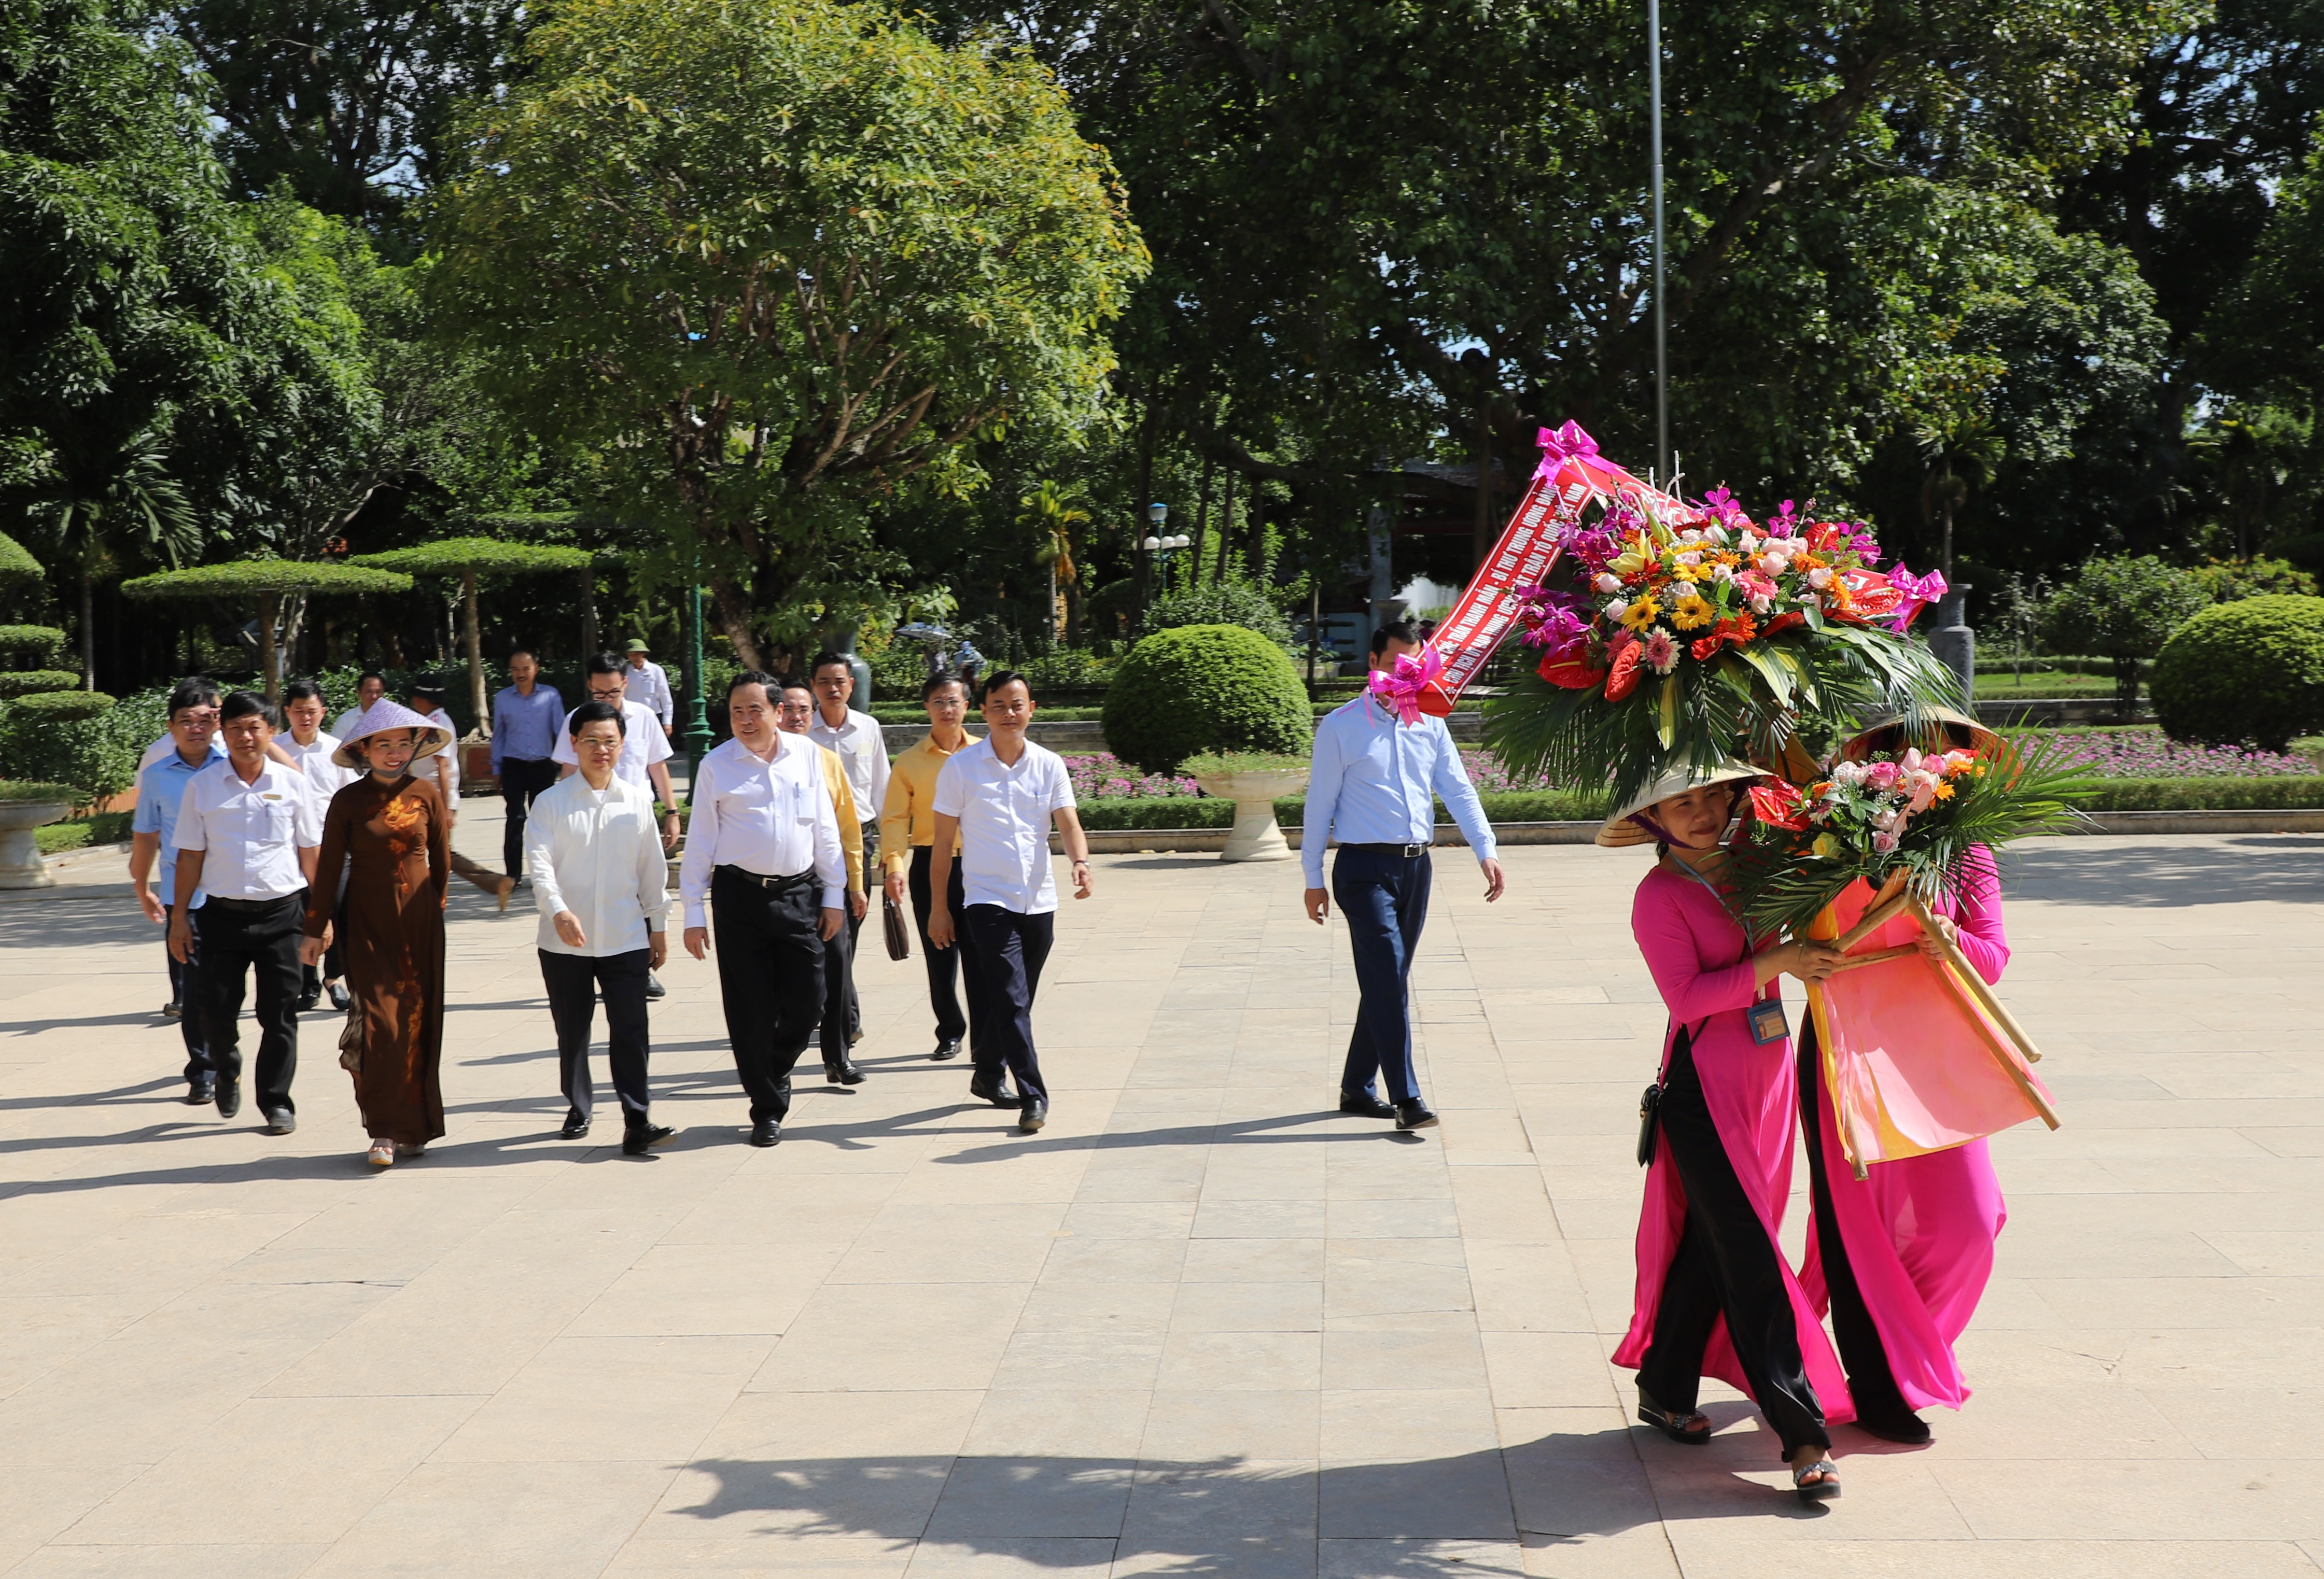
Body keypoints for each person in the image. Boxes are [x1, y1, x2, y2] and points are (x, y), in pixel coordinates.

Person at [1604, 763, 1851, 1504]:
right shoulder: (1658, 896)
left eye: (1713, 795)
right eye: (1682, 802)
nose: (1703, 811)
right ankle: (1802, 1434)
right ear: (1652, 819)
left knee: (1719, 1245)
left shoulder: (1759, 862)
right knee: (1748, 1256)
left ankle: (1664, 1381)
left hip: (1766, 1078)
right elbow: (1684, 997)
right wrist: (1774, 961)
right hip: (1702, 1092)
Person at [1797, 709, 2013, 1445]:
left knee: (1969, 1223)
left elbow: (1993, 958)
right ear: (1876, 762)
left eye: (1947, 749)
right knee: (1857, 1227)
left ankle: (1908, 1355)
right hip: (1845, 1039)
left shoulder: (1965, 850)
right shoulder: (1828, 834)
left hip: (1939, 1045)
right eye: (1905, 746)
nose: (1927, 758)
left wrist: (1945, 938)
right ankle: (1878, 1376)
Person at [1300, 620, 1505, 1131]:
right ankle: (1406, 1097)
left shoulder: (1428, 722)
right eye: (1395, 664)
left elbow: (1457, 790)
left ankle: (1356, 1086)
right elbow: (1318, 805)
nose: (1404, 673)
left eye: (1414, 664)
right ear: (1373, 664)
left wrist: (1486, 848)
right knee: (1389, 978)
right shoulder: (1342, 726)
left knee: (1387, 979)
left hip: (1417, 868)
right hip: (1362, 870)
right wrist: (1312, 877)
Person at [679, 672, 847, 1146]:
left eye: (756, 710)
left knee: (809, 1000)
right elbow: (701, 843)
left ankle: (773, 1065)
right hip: (739, 897)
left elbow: (825, 830)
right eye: (737, 711)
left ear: (778, 712)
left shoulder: (806, 755)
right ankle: (767, 1107)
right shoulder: (717, 765)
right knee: (749, 1006)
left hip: (799, 893)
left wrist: (834, 894)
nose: (747, 720)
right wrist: (693, 911)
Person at [927, 670, 1092, 1134]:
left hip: (1039, 899)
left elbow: (1069, 821)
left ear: (1031, 709)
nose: (1008, 713)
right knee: (1013, 999)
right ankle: (1033, 1096)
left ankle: (987, 1072)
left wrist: (1080, 862)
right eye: (998, 705)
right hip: (986, 898)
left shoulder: (1048, 764)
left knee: (1017, 998)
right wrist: (940, 908)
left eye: (1017, 704)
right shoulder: (961, 768)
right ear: (984, 711)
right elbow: (942, 847)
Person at [301, 701, 452, 1168]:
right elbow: (328, 871)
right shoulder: (347, 802)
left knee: (418, 1025)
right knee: (382, 1026)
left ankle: (417, 1127)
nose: (394, 752)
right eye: (383, 744)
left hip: (421, 927)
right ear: (364, 750)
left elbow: (443, 865)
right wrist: (316, 927)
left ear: (417, 747)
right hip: (366, 927)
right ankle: (383, 1130)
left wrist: (430, 912)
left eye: (404, 743)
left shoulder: (427, 792)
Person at [525, 700, 676, 1155]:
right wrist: (558, 910)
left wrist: (658, 924)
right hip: (563, 940)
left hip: (625, 936)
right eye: (591, 741)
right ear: (574, 744)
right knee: (573, 1031)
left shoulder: (636, 800)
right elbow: (539, 864)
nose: (601, 750)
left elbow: (652, 867)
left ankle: (637, 1119)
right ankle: (579, 1105)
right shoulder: (551, 804)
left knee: (631, 1029)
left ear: (623, 745)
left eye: (610, 741)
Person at [168, 692, 324, 1133]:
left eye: (254, 727)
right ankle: (227, 1067)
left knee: (280, 1015)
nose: (245, 737)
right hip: (220, 917)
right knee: (214, 1012)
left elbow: (311, 852)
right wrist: (180, 917)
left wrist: (323, 915)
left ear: (271, 732)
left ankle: (276, 1101)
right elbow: (190, 857)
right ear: (224, 732)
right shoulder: (203, 787)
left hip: (283, 916)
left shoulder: (293, 785)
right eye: (235, 728)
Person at [554, 655, 680, 994]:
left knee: (643, 888)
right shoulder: (577, 720)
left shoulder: (644, 718)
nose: (606, 699)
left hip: (633, 818)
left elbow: (657, 767)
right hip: (589, 818)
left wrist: (671, 812)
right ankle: (591, 959)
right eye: (599, 694)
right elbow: (567, 772)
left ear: (625, 684)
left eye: (612, 692)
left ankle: (641, 966)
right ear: (589, 687)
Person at [129, 681, 225, 1096]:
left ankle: (226, 1058)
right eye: (186, 721)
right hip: (180, 896)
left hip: (232, 893)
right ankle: (202, 1070)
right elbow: (146, 835)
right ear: (171, 727)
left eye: (205, 720)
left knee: (226, 989)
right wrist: (140, 885)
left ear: (217, 722)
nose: (195, 729)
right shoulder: (156, 776)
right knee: (193, 987)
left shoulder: (235, 767)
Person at [880, 671, 981, 1064]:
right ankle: (950, 1031)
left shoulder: (984, 756)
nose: (947, 709)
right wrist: (894, 866)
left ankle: (984, 1036)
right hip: (927, 865)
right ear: (927, 708)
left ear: (967, 707)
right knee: (939, 953)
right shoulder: (908, 763)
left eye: (954, 701)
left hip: (978, 865)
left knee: (980, 954)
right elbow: (893, 819)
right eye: (938, 701)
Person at [779, 680, 869, 1084]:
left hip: (826, 882)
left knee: (838, 963)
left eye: (803, 710)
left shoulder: (826, 761)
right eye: (788, 709)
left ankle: (838, 1056)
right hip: (781, 884)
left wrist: (855, 883)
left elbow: (848, 827)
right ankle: (777, 1053)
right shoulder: (756, 760)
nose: (796, 717)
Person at [806, 650, 889, 1047]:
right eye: (824, 682)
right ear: (813, 687)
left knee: (849, 931)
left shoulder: (868, 728)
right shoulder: (804, 732)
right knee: (823, 930)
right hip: (813, 843)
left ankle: (838, 1008)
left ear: (851, 685)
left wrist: (891, 852)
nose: (833, 689)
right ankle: (844, 1015)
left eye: (840, 681)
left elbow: (882, 788)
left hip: (860, 839)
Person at [279, 681, 360, 1012]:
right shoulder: (275, 749)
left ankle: (333, 977)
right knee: (302, 917)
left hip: (333, 848)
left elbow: (353, 796)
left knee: (341, 911)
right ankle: (308, 984)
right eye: (299, 711)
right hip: (291, 850)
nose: (305, 717)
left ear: (323, 713)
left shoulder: (337, 751)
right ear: (288, 712)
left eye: (312, 711)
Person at [409, 680, 514, 908]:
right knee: (439, 852)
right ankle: (494, 884)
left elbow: (443, 767)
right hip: (428, 799)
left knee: (441, 854)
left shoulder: (437, 723)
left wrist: (446, 808)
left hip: (435, 799)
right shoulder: (433, 721)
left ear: (421, 699)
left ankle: (492, 884)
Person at [491, 650, 565, 881]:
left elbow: (561, 731)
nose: (520, 673)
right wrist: (496, 768)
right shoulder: (502, 698)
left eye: (526, 668)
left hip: (543, 766)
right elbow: (499, 735)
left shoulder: (551, 696)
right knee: (515, 818)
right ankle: (513, 875)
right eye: (515, 669)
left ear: (536, 669)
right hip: (513, 766)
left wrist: (566, 765)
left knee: (543, 821)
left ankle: (546, 873)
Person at [623, 638, 675, 739]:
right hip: (631, 717)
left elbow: (665, 697)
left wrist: (667, 722)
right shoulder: (625, 672)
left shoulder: (656, 671)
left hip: (653, 716)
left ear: (643, 654)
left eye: (637, 654)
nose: (634, 657)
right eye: (631, 654)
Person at [330, 672, 387, 742]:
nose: (374, 696)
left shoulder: (392, 717)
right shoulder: (346, 719)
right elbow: (335, 745)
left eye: (378, 692)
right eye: (369, 692)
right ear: (359, 693)